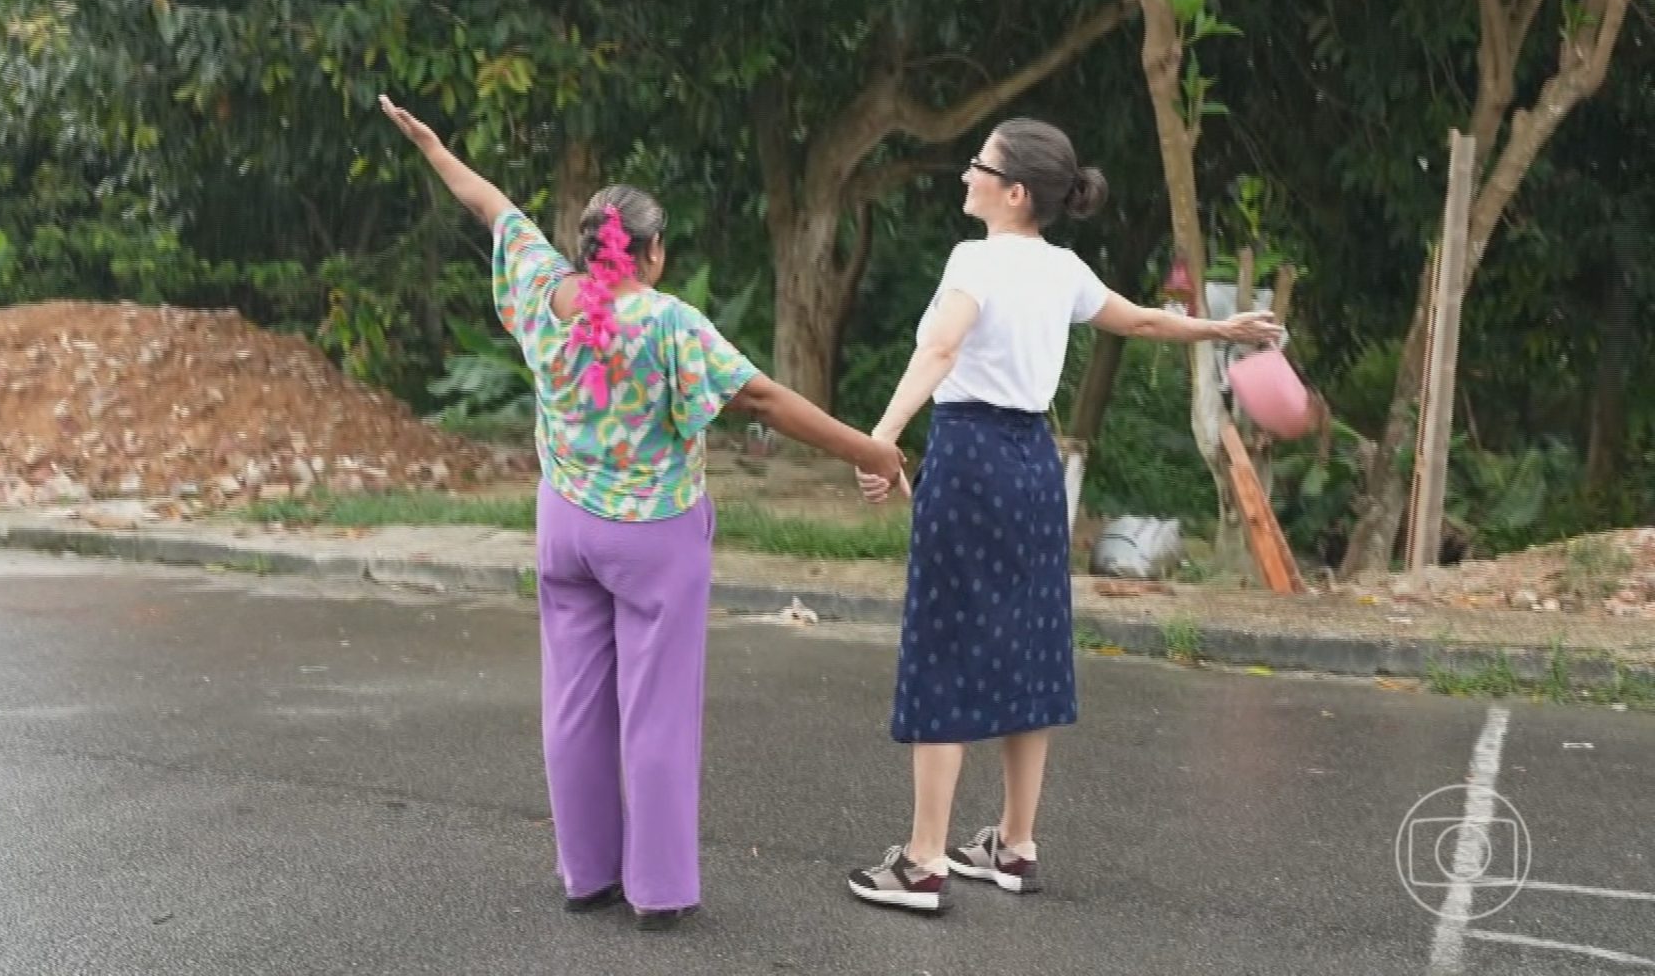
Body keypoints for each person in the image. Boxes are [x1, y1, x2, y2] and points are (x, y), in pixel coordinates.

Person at [380, 94, 907, 929]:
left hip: (564, 528)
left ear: (587, 245)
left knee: (575, 702)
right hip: (654, 537)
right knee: (655, 713)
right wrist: (872, 452)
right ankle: (657, 890)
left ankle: (587, 874)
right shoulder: (670, 325)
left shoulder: (545, 296)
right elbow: (763, 402)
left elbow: (491, 206)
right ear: (653, 253)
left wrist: (434, 146)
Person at [844, 118, 1282, 914]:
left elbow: (940, 351)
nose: (965, 174)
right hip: (1034, 467)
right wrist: (1220, 327)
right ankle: (1014, 846)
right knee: (1029, 642)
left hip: (971, 456)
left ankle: (924, 862)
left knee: (945, 643)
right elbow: (1145, 320)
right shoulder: (1063, 269)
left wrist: (880, 437)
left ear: (1013, 193)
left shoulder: (975, 259)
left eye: (979, 164)